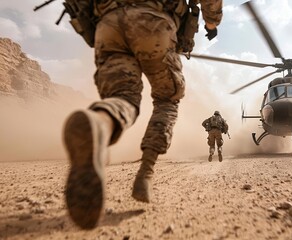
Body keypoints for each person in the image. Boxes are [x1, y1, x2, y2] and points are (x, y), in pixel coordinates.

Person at [63, 0, 223, 229]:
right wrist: (211, 23)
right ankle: (145, 174)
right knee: (167, 99)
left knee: (122, 97)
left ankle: (99, 124)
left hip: (108, 27)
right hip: (154, 23)